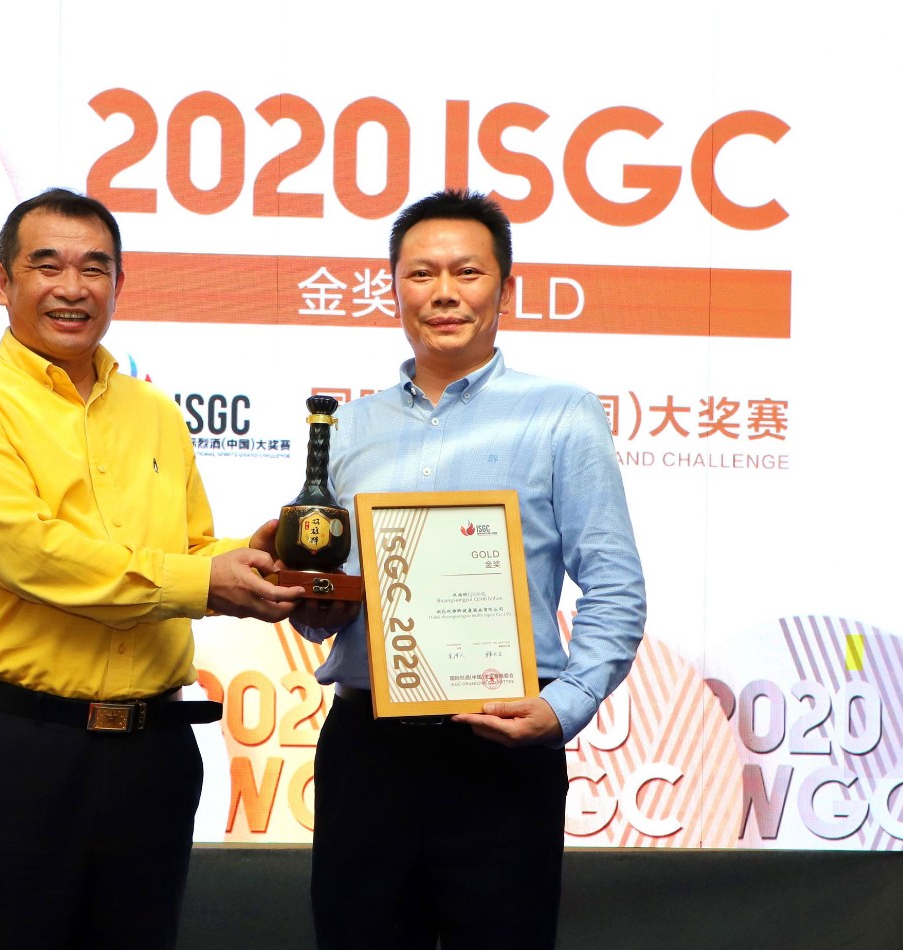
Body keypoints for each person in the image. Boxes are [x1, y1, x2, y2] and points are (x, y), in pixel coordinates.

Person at [0, 187, 303, 949]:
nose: (73, 287)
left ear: (119, 284)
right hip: (21, 748)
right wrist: (205, 581)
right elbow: (28, 554)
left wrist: (260, 558)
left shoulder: (153, 411)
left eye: (95, 268)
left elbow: (190, 548)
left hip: (154, 755)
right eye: (47, 265)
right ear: (2, 282)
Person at [299, 189, 646, 949]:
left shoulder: (560, 413)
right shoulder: (347, 427)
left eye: (467, 272)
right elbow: (331, 591)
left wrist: (566, 704)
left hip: (502, 746)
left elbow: (615, 583)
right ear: (394, 288)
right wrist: (313, 607)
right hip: (367, 747)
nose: (444, 293)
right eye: (421, 274)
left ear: (504, 289)